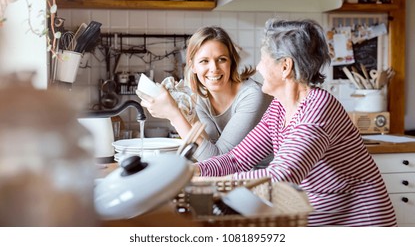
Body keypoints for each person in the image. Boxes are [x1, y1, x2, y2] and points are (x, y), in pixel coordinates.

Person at [194, 18, 397, 227]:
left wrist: (211, 185)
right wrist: (195, 171)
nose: (258, 67)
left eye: (263, 60)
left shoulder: (318, 108)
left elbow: (282, 176)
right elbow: (237, 160)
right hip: (319, 216)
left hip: (360, 222)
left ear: (285, 66)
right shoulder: (279, 107)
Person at [137, 26, 272, 162]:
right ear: (193, 66)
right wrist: (186, 114)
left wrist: (174, 114)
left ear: (232, 62)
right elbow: (208, 148)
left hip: (265, 177)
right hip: (233, 177)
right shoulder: (201, 98)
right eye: (204, 61)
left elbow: (218, 160)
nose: (214, 68)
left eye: (222, 59)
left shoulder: (252, 96)